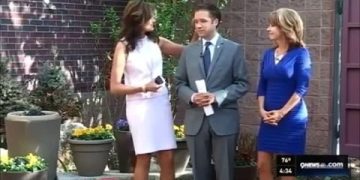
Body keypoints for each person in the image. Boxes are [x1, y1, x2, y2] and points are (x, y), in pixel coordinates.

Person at [109, 1, 184, 180]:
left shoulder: (157, 41)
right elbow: (115, 87)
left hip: (160, 104)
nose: (155, 20)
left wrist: (197, 31)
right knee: (144, 156)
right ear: (138, 18)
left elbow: (187, 51)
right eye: (151, 16)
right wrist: (144, 87)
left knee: (168, 155)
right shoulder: (124, 46)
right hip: (139, 106)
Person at [175, 3, 249, 180]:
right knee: (199, 173)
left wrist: (218, 96)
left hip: (224, 120)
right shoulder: (188, 51)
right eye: (196, 22)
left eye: (203, 21)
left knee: (225, 173)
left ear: (215, 22)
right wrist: (192, 96)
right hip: (196, 121)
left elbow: (242, 83)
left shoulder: (233, 49)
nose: (198, 25)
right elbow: (179, 83)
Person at [256, 8, 312, 180]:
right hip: (268, 119)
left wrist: (281, 113)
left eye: (273, 25)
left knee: (286, 171)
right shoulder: (267, 54)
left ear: (287, 27)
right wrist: (262, 111)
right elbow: (262, 85)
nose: (268, 28)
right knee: (262, 165)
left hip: (291, 119)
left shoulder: (301, 54)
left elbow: (301, 88)